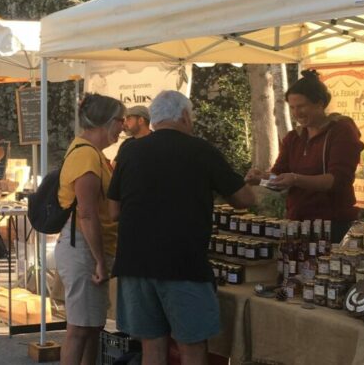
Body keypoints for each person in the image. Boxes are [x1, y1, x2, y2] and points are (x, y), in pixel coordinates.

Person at [108, 90, 254, 365]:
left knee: (151, 347)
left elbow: (114, 211)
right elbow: (244, 199)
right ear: (185, 116)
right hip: (183, 264)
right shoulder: (202, 150)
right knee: (192, 347)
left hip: (135, 263)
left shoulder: (129, 152)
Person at [245, 69, 363, 243]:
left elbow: (337, 180)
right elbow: (278, 179)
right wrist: (261, 179)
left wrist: (295, 179)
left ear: (320, 103)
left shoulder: (341, 131)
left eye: (301, 106)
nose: (296, 113)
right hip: (297, 225)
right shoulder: (294, 137)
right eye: (292, 107)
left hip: (332, 226)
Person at [56, 93, 125, 365]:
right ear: (105, 122)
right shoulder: (86, 155)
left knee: (91, 326)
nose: (122, 126)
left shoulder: (91, 153)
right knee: (80, 328)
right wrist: (99, 261)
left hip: (86, 246)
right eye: (120, 120)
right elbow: (86, 214)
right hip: (83, 248)